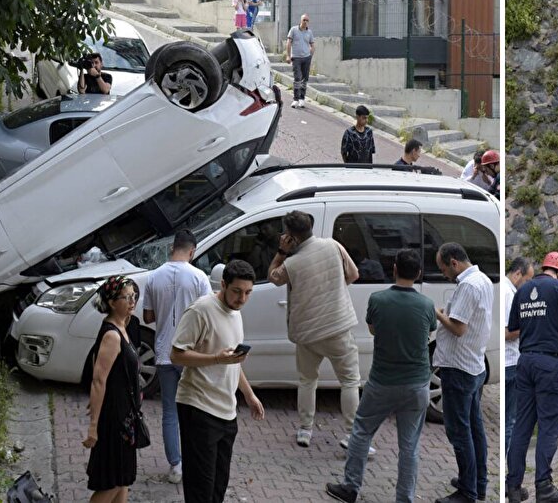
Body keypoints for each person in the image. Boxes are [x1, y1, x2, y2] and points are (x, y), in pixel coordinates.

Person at [324, 249, 437, 503]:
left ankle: (351, 486)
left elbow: (373, 330)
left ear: (394, 269)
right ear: (418, 273)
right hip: (417, 383)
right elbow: (429, 333)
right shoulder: (427, 305)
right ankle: (404, 498)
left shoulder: (377, 299)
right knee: (409, 445)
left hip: (383, 381)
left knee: (362, 430)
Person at [170, 260, 266, 503]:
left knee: (218, 486)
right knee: (201, 488)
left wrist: (248, 394)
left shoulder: (236, 312)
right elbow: (176, 354)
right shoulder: (200, 310)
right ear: (223, 284)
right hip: (198, 407)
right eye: (237, 291)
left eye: (248, 293)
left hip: (227, 412)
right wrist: (215, 358)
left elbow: (232, 361)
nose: (242, 298)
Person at [266, 210, 363, 449]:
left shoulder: (292, 262)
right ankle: (352, 433)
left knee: (307, 380)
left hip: (307, 332)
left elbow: (273, 277)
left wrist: (281, 252)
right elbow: (353, 274)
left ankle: (305, 430)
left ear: (290, 236)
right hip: (339, 326)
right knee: (350, 381)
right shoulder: (333, 246)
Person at [142, 230, 212, 485]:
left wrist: (165, 310)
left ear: (172, 247)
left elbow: (148, 317)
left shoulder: (153, 276)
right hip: (190, 354)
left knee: (169, 411)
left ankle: (176, 465)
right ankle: (196, 461)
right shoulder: (199, 277)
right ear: (192, 251)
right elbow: (207, 315)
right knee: (195, 408)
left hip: (163, 353)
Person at [506, 253, 558, 503]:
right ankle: (544, 487)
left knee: (522, 425)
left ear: (544, 268)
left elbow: (513, 329)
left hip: (525, 362)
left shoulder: (522, 291)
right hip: (549, 363)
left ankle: (513, 486)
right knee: (548, 426)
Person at [432, 243, 494, 503]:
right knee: (474, 428)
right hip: (473, 364)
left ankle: (468, 490)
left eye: (443, 267)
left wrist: (437, 314)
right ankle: (477, 481)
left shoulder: (468, 286)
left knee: (459, 431)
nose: (444, 273)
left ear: (454, 262)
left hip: (459, 366)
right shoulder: (483, 280)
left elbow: (458, 328)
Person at [83, 276, 142, 502]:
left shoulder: (123, 326)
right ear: (111, 302)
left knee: (123, 478)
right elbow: (99, 380)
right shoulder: (112, 335)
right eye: (126, 297)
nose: (132, 301)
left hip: (125, 415)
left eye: (133, 296)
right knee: (114, 481)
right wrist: (93, 426)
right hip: (115, 418)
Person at [501, 257, 535, 454]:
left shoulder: (509, 292)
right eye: (527, 280)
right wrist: (529, 326)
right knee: (511, 420)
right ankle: (508, 463)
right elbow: (507, 333)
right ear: (517, 274)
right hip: (510, 362)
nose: (529, 285)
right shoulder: (509, 294)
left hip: (511, 361)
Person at [285, 14, 315, 108]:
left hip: (306, 58)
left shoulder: (309, 32)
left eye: (307, 20)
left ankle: (302, 99)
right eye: (304, 20)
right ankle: (295, 99)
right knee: (297, 78)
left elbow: (312, 44)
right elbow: (289, 42)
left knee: (304, 79)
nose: (305, 22)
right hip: (296, 58)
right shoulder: (293, 30)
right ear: (300, 20)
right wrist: (288, 56)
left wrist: (310, 55)